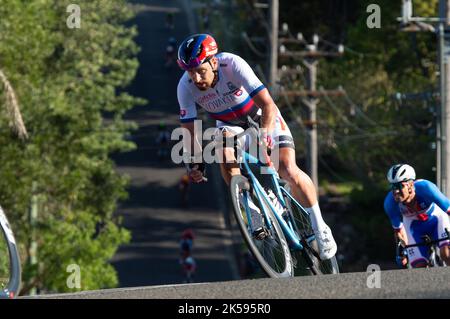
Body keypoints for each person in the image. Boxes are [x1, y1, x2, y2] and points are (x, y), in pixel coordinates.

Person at [175, 33, 337, 260]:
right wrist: (195, 162)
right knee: (222, 146)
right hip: (230, 126)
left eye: (200, 70)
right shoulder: (185, 86)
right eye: (190, 72)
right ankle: (251, 208)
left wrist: (264, 134)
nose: (196, 78)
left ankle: (320, 226)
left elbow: (268, 104)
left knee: (288, 169)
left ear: (213, 62)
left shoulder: (232, 64)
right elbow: (189, 132)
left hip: (261, 117)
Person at [384, 164, 450, 267]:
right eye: (393, 186)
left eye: (399, 186)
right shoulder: (390, 203)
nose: (396, 191)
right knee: (418, 267)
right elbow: (399, 231)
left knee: (446, 254)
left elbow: (448, 208)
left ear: (410, 185)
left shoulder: (426, 188)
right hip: (413, 227)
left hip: (436, 219)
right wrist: (402, 251)